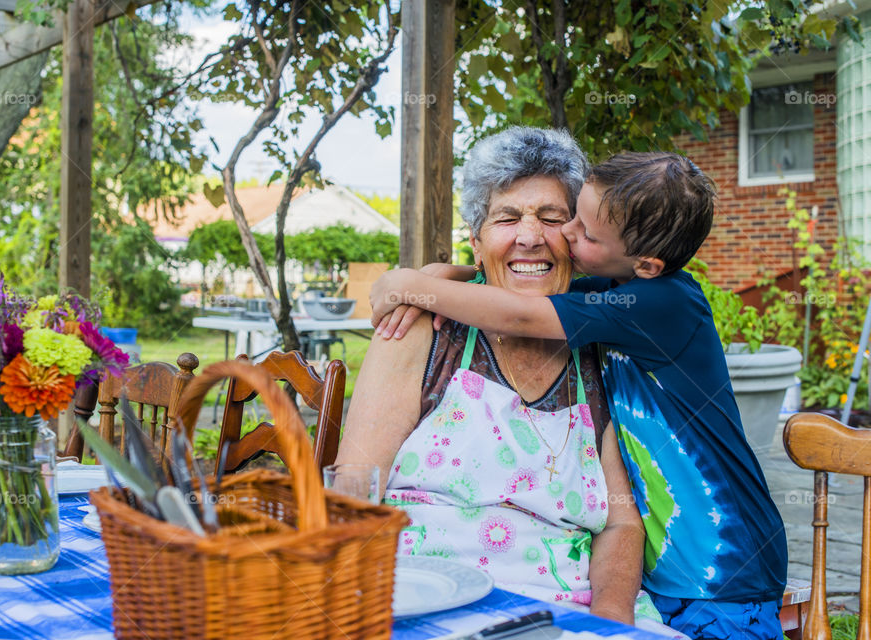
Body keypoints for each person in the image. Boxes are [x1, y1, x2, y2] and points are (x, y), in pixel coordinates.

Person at [370, 144, 788, 640]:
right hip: (669, 570)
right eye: (508, 219)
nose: (556, 235)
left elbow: (522, 313)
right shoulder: (615, 292)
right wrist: (444, 274)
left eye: (572, 225)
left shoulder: (650, 308)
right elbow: (520, 289)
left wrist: (409, 284)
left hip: (722, 564)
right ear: (477, 240)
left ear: (646, 264)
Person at [336, 127, 686, 638]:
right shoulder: (422, 330)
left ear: (577, 240)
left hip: (564, 609)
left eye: (551, 217)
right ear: (476, 244)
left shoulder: (604, 350)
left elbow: (621, 522)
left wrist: (610, 627)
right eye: (506, 218)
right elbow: (354, 485)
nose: (529, 236)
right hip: (420, 598)